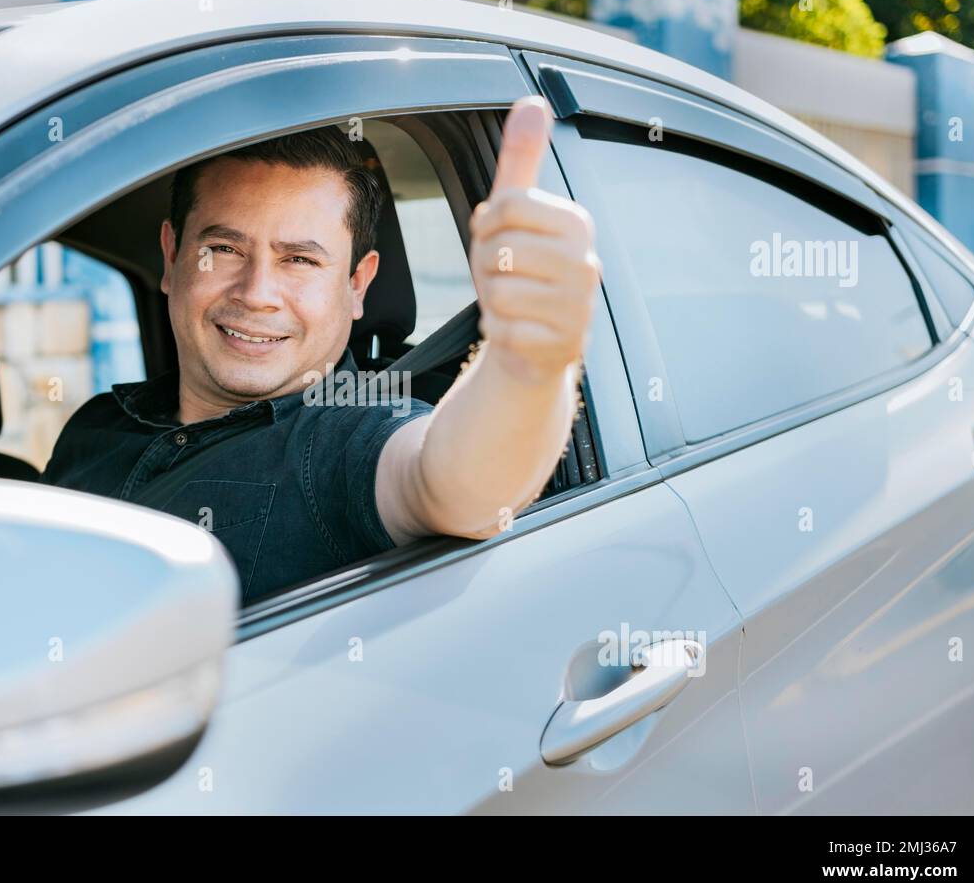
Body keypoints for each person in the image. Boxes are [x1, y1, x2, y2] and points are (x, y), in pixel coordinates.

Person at [42, 98, 600, 602]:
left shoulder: (349, 438)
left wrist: (530, 364)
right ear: (171, 257)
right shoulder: (93, 427)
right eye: (224, 249)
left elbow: (454, 484)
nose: (257, 294)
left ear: (358, 284)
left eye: (300, 260)